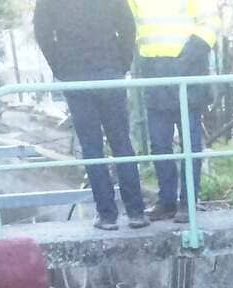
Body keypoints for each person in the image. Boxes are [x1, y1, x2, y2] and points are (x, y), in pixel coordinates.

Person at [32, 0, 150, 230]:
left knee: (91, 147)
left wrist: (60, 67)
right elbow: (127, 25)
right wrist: (121, 64)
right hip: (108, 70)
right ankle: (136, 212)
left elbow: (43, 33)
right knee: (122, 143)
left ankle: (107, 215)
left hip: (75, 74)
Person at [129, 0, 221, 221]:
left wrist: (187, 56)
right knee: (160, 143)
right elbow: (130, 25)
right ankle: (167, 202)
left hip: (186, 72)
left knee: (190, 143)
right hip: (154, 72)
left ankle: (188, 202)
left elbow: (210, 23)